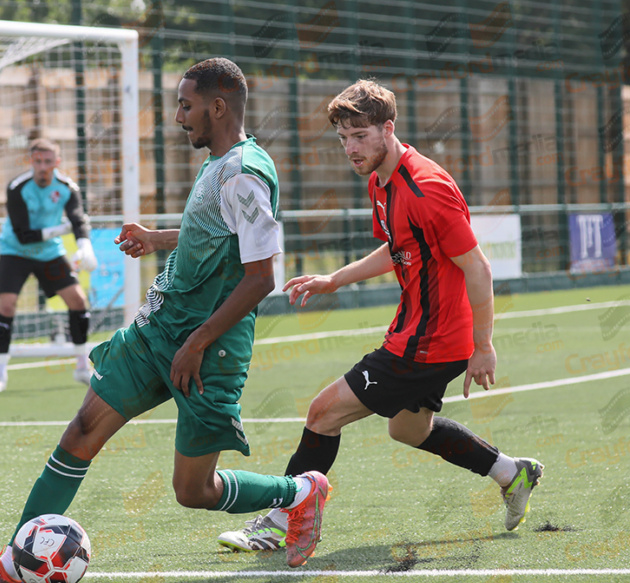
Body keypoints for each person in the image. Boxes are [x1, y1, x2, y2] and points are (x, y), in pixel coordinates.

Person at [0, 58, 330, 583]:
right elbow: (210, 232)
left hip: (207, 348)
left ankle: (299, 492)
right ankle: (9, 566)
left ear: (218, 107)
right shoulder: (220, 162)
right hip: (156, 334)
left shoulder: (244, 173)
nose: (177, 116)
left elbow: (262, 277)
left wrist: (198, 340)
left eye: (186, 105)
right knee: (80, 432)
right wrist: (157, 238)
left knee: (194, 491)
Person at [217, 79, 544, 553]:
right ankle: (513, 474)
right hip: (420, 333)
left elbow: (478, 266)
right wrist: (334, 279)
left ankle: (278, 521)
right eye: (343, 138)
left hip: (429, 342)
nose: (351, 148)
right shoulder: (380, 179)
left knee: (323, 413)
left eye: (360, 135)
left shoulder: (427, 188)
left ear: (388, 129)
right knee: (408, 428)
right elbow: (397, 248)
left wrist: (483, 344)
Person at [0, 137, 98, 392]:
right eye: (38, 161)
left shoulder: (68, 188)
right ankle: (0, 374)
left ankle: (82, 367)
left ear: (57, 162)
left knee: (78, 301)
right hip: (15, 251)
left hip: (49, 253)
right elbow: (24, 235)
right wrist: (62, 228)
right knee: (7, 305)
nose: (43, 166)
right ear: (31, 162)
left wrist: (84, 246)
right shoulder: (17, 188)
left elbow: (78, 219)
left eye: (48, 161)